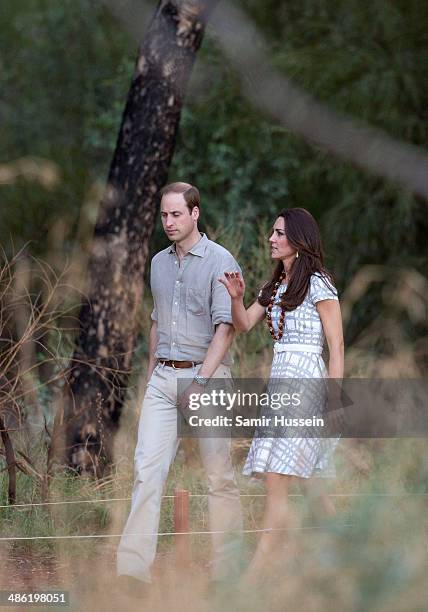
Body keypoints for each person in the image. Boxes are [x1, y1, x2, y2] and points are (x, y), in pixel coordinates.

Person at [117, 182, 243, 595]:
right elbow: (156, 322)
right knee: (146, 471)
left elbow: (225, 329)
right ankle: (133, 573)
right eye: (163, 215)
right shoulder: (158, 263)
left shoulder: (221, 261)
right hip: (163, 379)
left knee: (218, 476)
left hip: (205, 376)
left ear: (195, 214)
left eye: (175, 214)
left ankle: (229, 572)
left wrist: (201, 382)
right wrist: (153, 374)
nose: (168, 222)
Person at [219, 207, 344, 583]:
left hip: (307, 382)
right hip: (280, 383)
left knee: (278, 478)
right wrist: (237, 298)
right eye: (272, 233)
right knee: (311, 485)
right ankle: (349, 560)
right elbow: (242, 325)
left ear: (299, 240)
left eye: (279, 234)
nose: (271, 239)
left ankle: (254, 577)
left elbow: (336, 346)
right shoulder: (274, 286)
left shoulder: (320, 284)